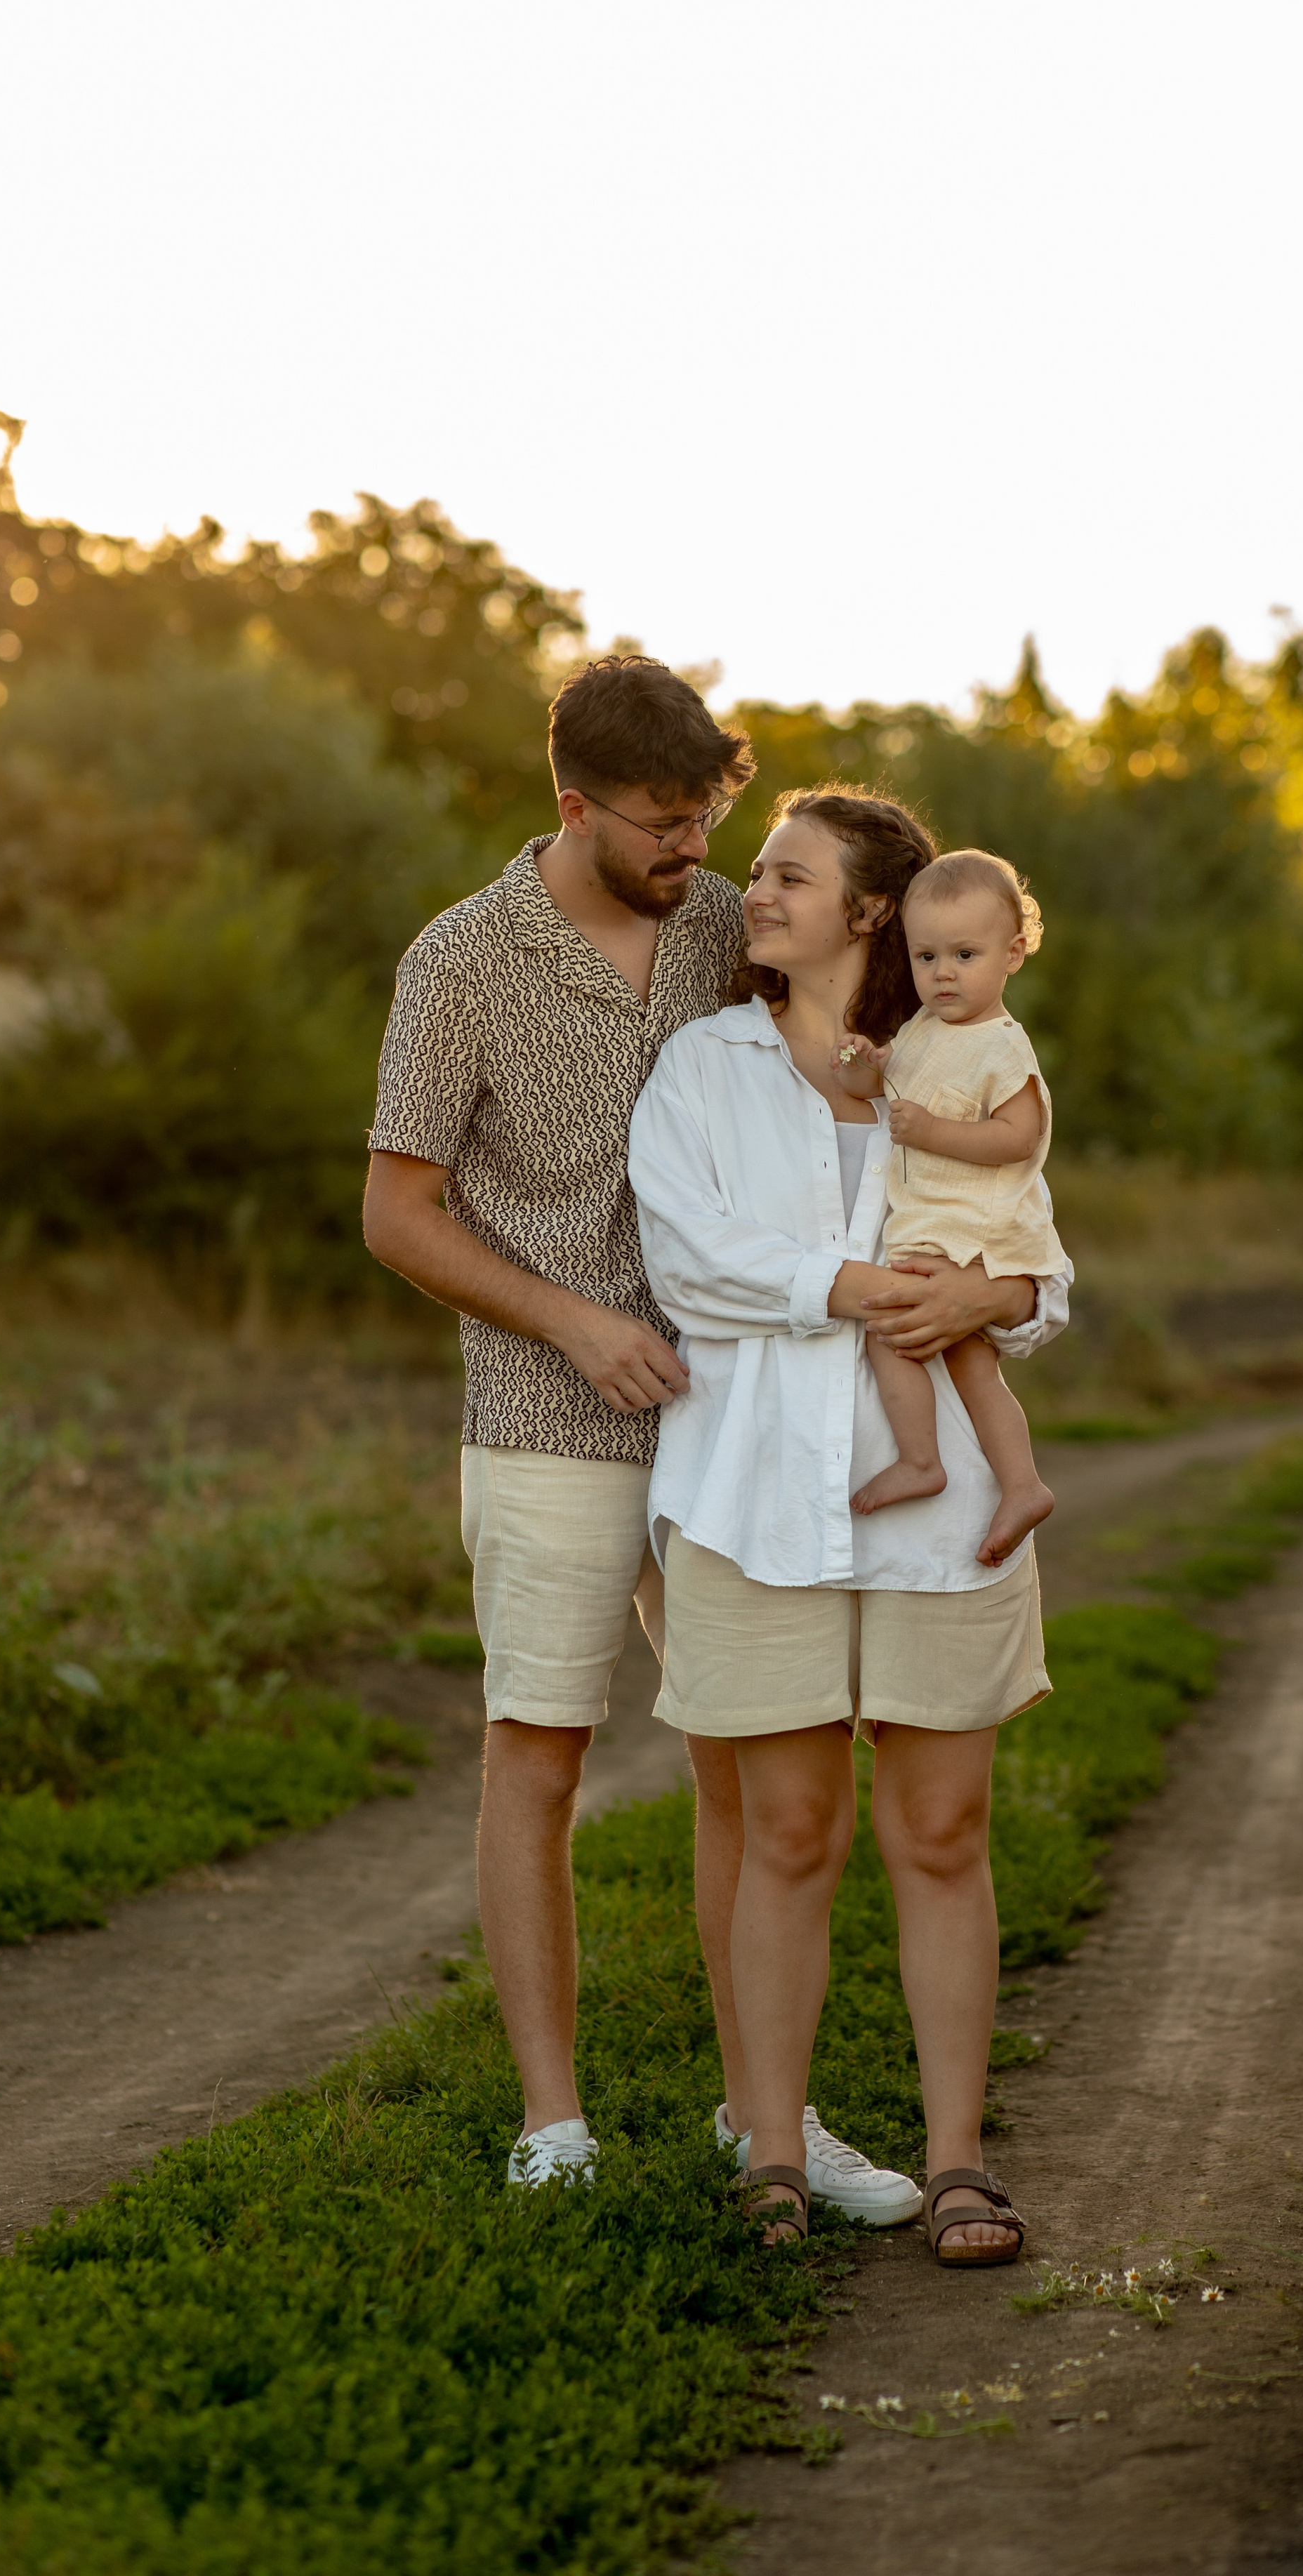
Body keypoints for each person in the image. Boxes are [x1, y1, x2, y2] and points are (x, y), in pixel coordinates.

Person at [362, 659, 989, 2217]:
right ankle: (554, 2124)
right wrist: (573, 1323)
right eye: (661, 823)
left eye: (709, 815)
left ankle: (758, 2120)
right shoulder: (459, 961)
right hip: (550, 1414)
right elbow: (394, 1210)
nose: (693, 849)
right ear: (570, 806)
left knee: (750, 1770)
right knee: (541, 1746)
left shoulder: (729, 921)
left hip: (749, 1420)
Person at [628, 788, 1073, 2264]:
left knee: (940, 1829)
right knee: (790, 1833)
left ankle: (958, 2164)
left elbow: (1035, 1262)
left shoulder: (952, 1061)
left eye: (785, 874)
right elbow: (689, 1258)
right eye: (755, 871)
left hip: (936, 1494)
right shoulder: (703, 1067)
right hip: (753, 1495)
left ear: (867, 909)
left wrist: (990, 1298)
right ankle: (771, 2152)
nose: (751, 891)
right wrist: (854, 1290)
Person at [840, 848, 1059, 1567]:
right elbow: (887, 1090)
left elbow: (1019, 1136)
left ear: (1012, 954)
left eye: (965, 954)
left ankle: (919, 1460)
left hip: (974, 1227)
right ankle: (1021, 1483)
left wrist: (932, 1131)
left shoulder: (1002, 1044)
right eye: (926, 954)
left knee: (890, 1324)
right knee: (968, 1361)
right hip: (937, 1222)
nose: (943, 973)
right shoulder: (923, 1033)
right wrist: (866, 1067)